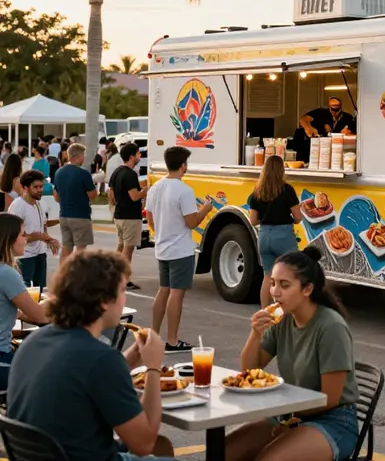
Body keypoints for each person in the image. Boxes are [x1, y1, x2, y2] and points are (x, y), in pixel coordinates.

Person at [7, 249, 174, 460]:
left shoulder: (34, 342)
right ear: (104, 300)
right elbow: (144, 443)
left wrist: (132, 356)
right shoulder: (100, 359)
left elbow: (87, 375)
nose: (124, 299)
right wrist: (153, 367)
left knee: (163, 446)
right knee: (157, 447)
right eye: (123, 290)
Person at [226, 246, 360, 461]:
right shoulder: (283, 319)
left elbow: (330, 399)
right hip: (290, 413)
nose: (275, 292)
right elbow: (249, 371)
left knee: (269, 459)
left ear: (307, 289)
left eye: (284, 285)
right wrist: (255, 333)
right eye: (273, 283)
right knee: (223, 452)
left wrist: (287, 416)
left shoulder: (331, 327)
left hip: (333, 421)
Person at [146, 146, 215, 353]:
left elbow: (150, 218)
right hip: (181, 250)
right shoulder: (184, 190)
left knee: (163, 290)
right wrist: (206, 208)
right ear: (183, 165)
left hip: (162, 247)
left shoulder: (155, 188)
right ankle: (173, 341)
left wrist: (163, 231)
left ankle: (154, 336)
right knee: (177, 294)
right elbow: (192, 222)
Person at [0, 212, 50, 388]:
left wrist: (20, 314)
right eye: (23, 234)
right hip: (2, 359)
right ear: (9, 239)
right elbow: (41, 317)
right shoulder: (6, 273)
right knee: (54, 375)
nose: (26, 239)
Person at [248, 155, 302, 308]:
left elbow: (252, 220)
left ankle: (265, 311)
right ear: (281, 170)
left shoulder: (258, 191)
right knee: (291, 274)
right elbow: (298, 217)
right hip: (283, 235)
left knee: (268, 276)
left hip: (264, 235)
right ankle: (287, 309)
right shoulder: (287, 190)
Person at [9, 170, 60, 287]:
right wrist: (39, 236)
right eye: (36, 187)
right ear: (25, 187)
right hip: (24, 257)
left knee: (40, 291)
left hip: (40, 254)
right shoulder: (18, 206)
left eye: (41, 186)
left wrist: (50, 240)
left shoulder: (39, 203)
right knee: (25, 291)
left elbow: (42, 225)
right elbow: (14, 236)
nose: (40, 190)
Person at [109, 142, 148, 290]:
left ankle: (113, 275)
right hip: (130, 217)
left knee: (120, 246)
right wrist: (145, 191)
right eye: (138, 153)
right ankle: (124, 280)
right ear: (132, 156)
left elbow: (110, 194)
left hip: (119, 215)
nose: (140, 156)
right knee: (128, 249)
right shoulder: (130, 174)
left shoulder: (117, 171)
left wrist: (116, 204)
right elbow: (134, 196)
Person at [53, 143, 98, 263]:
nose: (84, 159)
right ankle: (78, 277)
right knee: (81, 251)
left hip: (64, 215)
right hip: (80, 216)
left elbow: (56, 197)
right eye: (83, 155)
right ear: (77, 156)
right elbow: (93, 195)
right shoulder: (83, 174)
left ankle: (62, 276)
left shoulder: (59, 172)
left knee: (66, 248)